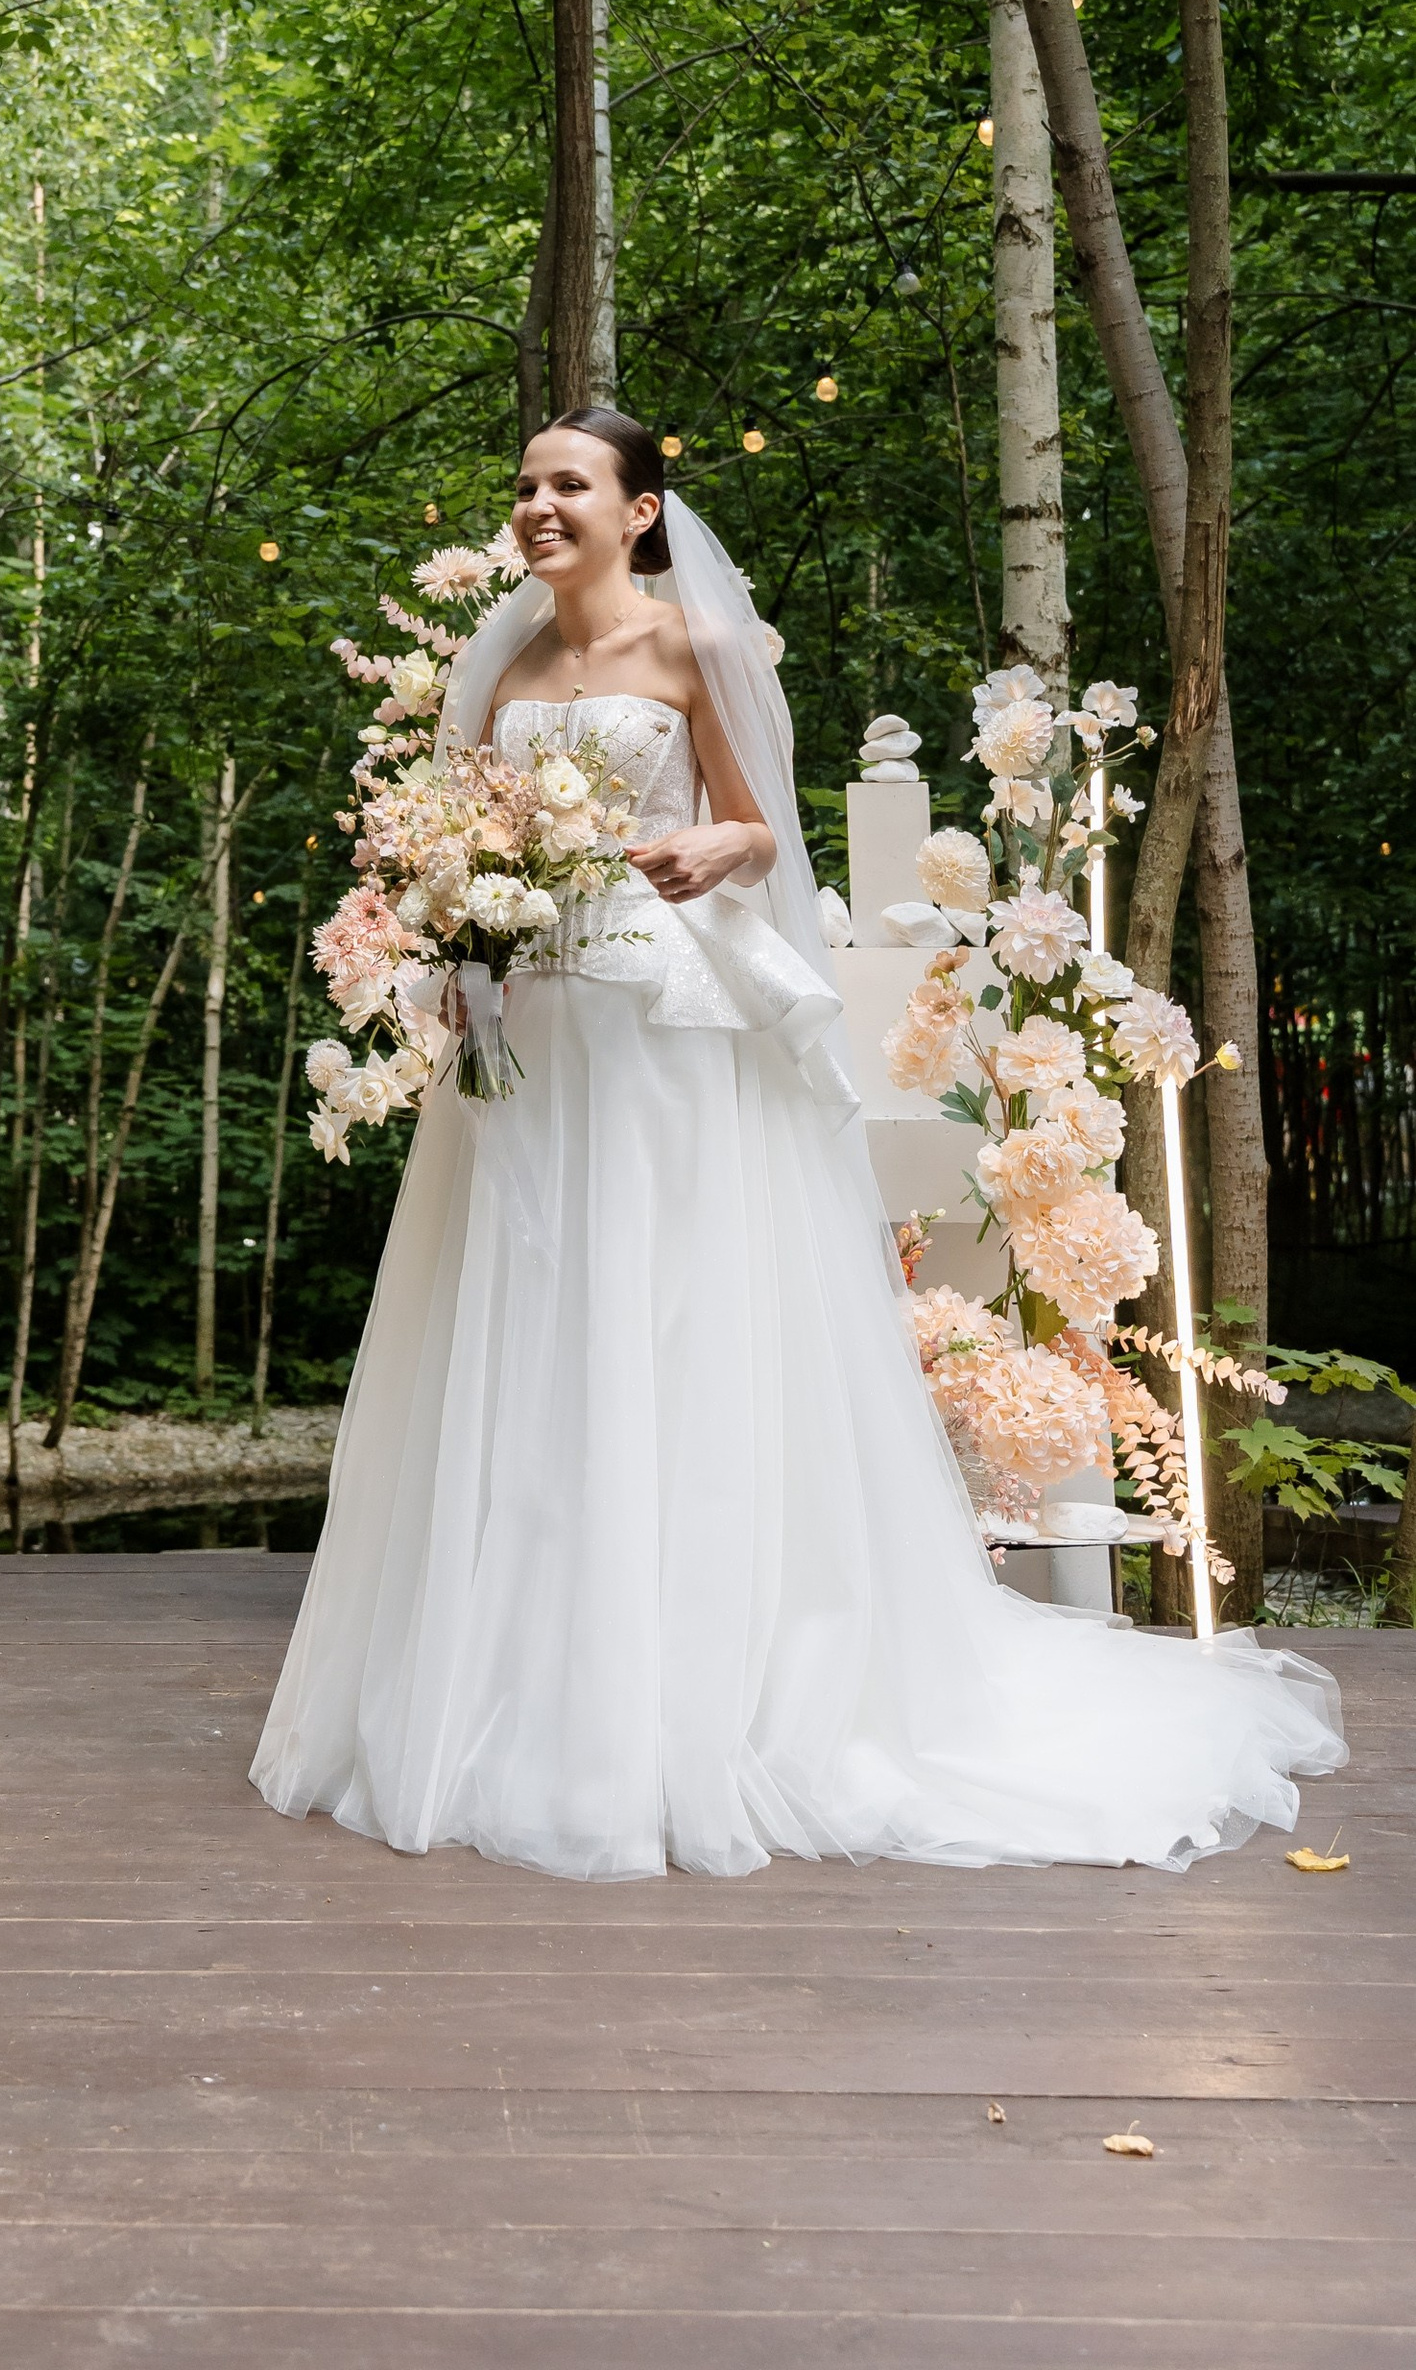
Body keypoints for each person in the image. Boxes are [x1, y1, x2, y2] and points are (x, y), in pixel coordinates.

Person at [251, 407, 1344, 1881]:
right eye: (523, 487)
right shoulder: (495, 663)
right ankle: (518, 1677)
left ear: (638, 511)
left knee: (666, 1322)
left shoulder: (696, 650)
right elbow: (438, 836)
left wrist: (723, 848)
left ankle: (701, 1688)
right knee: (522, 1328)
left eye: (566, 485)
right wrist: (441, 931)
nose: (535, 508)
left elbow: (762, 834)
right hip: (530, 1042)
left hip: (663, 1037)